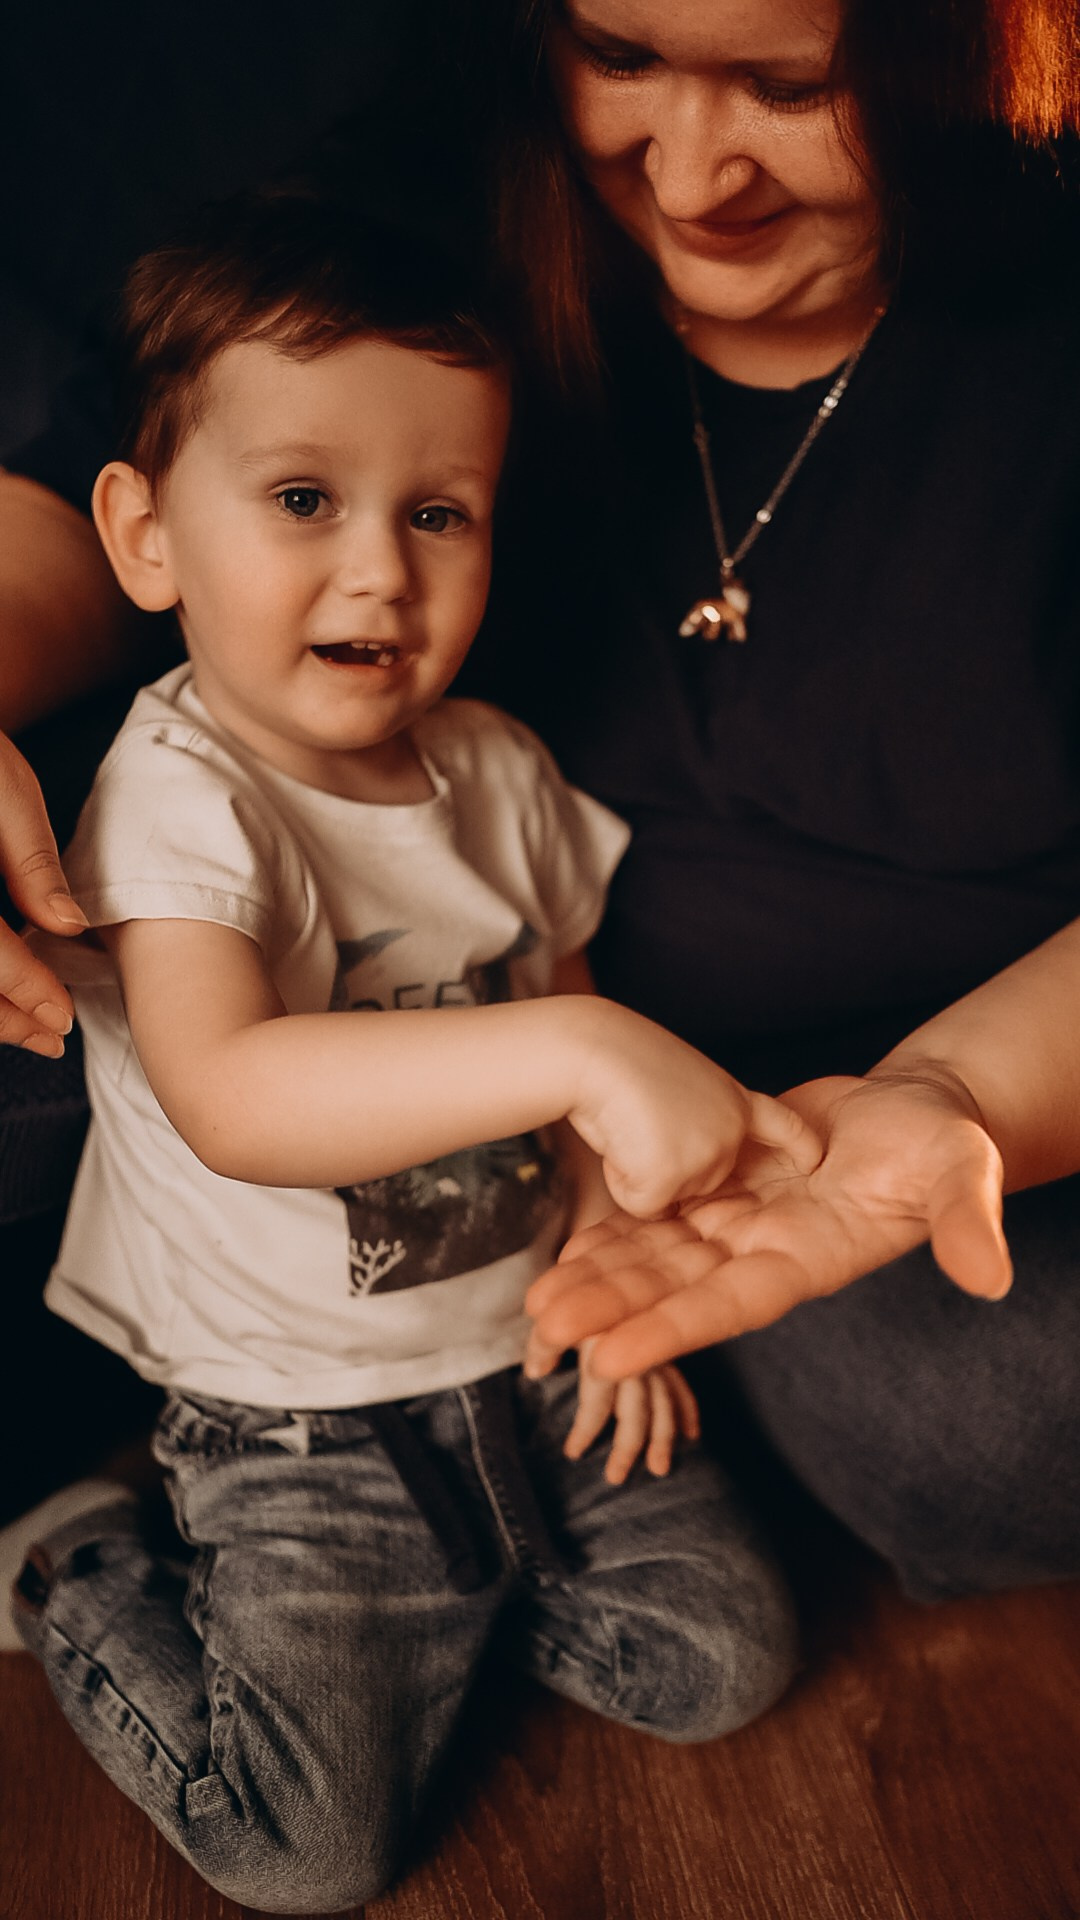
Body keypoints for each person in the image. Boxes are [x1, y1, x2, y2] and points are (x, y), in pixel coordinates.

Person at [2, 0, 1079, 1604]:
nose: (696, 174)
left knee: (990, 1430)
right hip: (492, 1081)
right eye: (624, 60)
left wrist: (950, 1092)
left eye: (791, 89)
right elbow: (118, 496)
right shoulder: (432, 201)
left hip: (908, 1096)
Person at [0, 194, 806, 1913]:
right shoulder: (182, 797)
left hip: (524, 1354)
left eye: (440, 511)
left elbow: (550, 989)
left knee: (727, 1659)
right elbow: (232, 1095)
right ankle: (78, 1561)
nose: (382, 568)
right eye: (304, 501)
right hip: (292, 1421)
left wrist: (604, 1245)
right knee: (303, 1856)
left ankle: (445, 1616)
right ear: (146, 538)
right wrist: (587, 1048)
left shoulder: (496, 769)